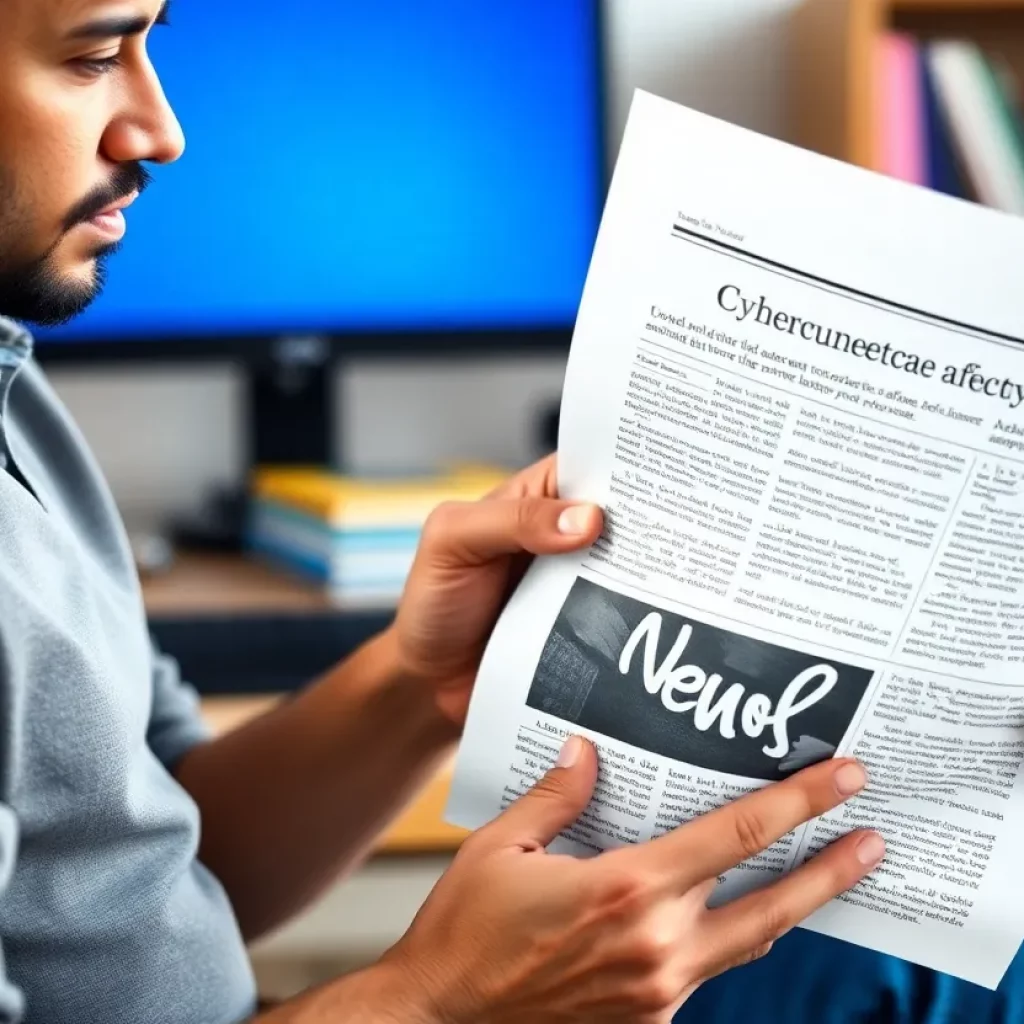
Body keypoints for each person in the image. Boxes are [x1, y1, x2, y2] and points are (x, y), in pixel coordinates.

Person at [0, 1, 889, 1021]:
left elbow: (155, 859)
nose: (161, 131)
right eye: (95, 57)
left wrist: (423, 683)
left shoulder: (17, 387)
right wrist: (435, 998)